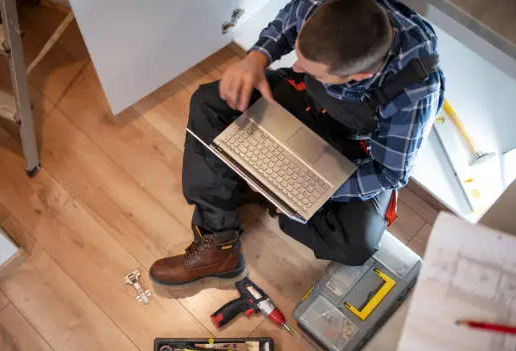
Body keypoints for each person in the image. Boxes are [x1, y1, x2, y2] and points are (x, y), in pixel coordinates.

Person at [149, 0, 445, 286]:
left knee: (355, 244)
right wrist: (256, 58)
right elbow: (290, 21)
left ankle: (270, 191)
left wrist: (317, 189)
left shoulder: (416, 91)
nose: (298, 66)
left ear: (361, 75)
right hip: (306, 99)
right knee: (209, 103)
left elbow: (389, 173)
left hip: (355, 147)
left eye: (315, 70)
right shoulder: (328, 6)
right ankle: (219, 245)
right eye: (299, 56)